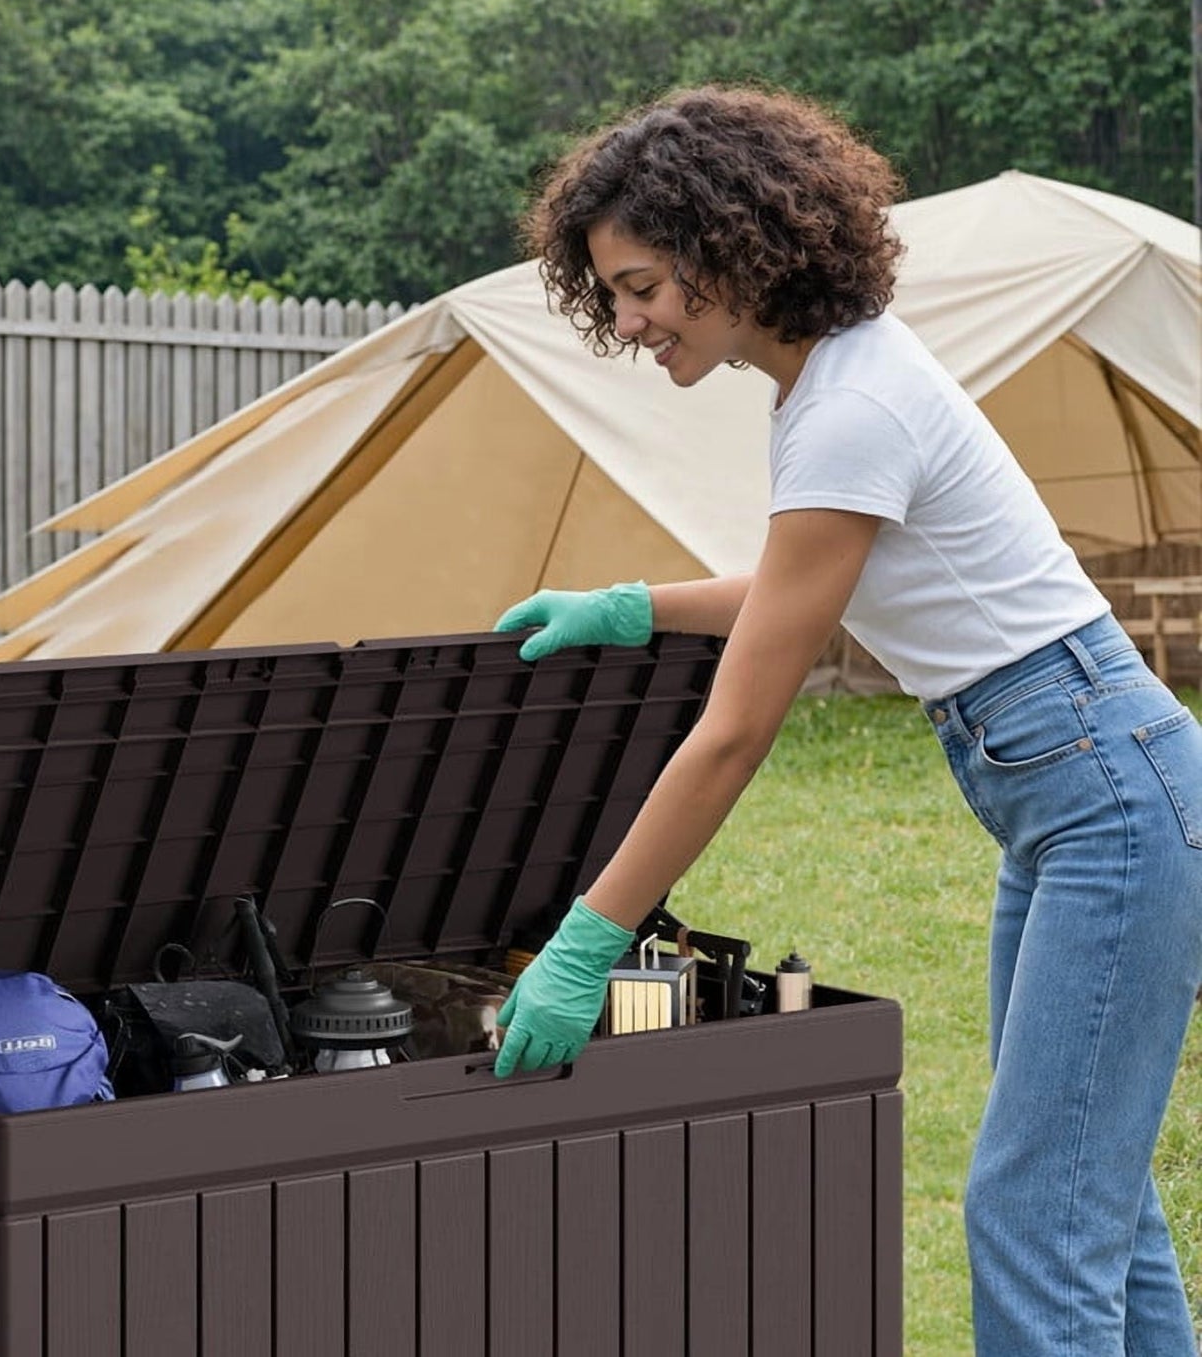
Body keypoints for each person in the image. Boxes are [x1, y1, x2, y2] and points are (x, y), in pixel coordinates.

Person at [490, 84, 1202, 1357]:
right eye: (613, 294)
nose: (630, 320)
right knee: (1092, 1197)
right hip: (1077, 787)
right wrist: (628, 604)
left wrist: (589, 935)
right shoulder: (834, 381)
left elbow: (733, 731)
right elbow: (803, 587)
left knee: (1035, 1214)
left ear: (726, 245)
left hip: (1103, 794)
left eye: (643, 283)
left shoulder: (846, 406)